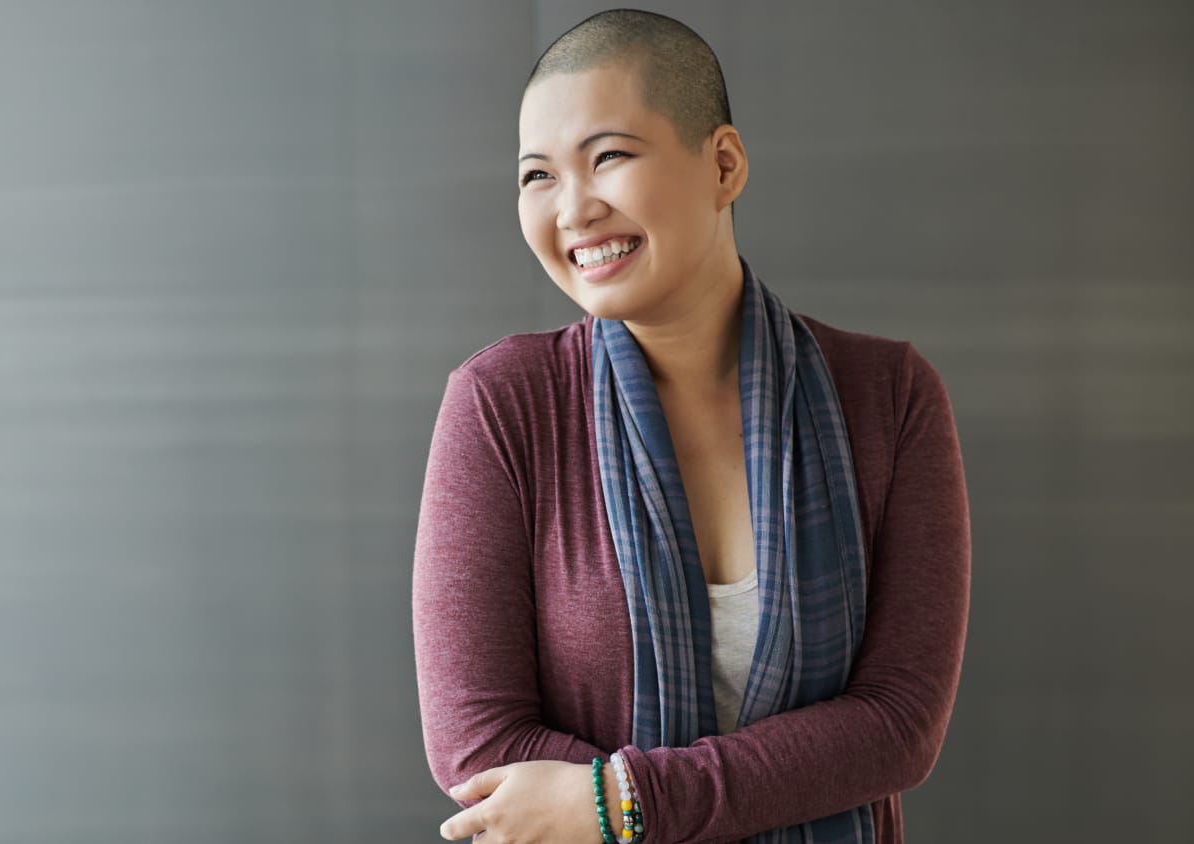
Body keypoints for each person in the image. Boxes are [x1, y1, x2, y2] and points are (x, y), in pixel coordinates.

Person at [411, 8, 970, 844]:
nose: (573, 210)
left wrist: (622, 805)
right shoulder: (501, 404)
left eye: (608, 158)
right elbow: (477, 743)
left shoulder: (889, 397)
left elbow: (898, 725)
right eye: (537, 176)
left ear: (723, 164)